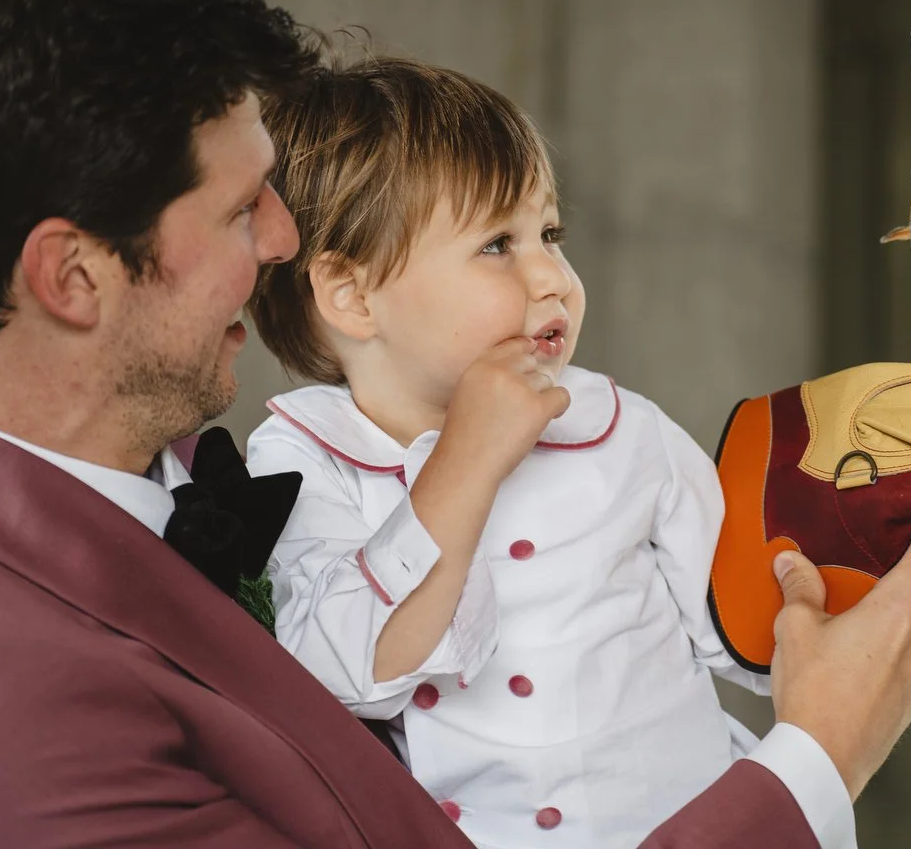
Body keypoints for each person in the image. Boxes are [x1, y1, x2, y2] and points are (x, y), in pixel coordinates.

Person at [0, 0, 911, 848]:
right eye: (243, 209)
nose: (286, 241)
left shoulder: (171, 464)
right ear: (73, 277)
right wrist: (817, 762)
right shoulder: (5, 716)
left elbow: (732, 607)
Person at [247, 56, 824, 847]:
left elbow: (749, 631)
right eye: (497, 245)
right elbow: (346, 673)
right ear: (352, 294)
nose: (552, 277)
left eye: (550, 233)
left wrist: (843, 547)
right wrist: (467, 461)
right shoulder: (306, 455)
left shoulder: (620, 426)